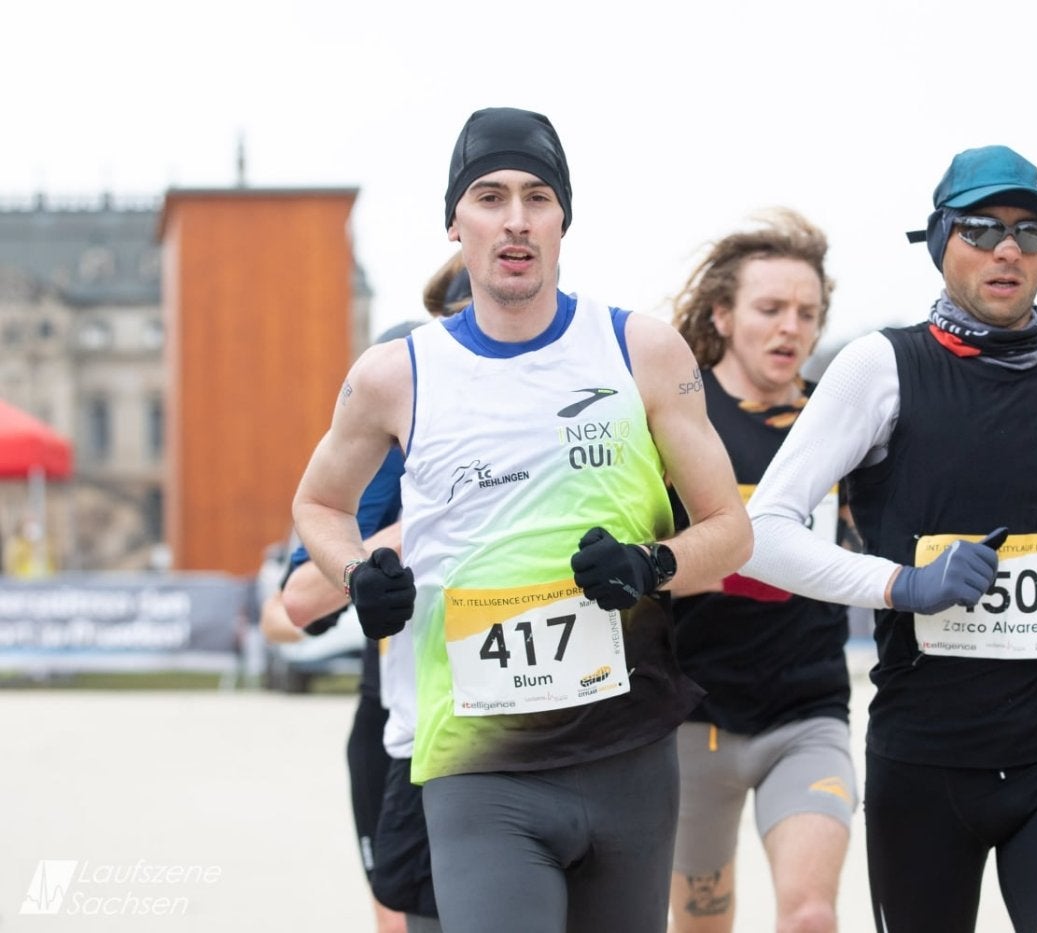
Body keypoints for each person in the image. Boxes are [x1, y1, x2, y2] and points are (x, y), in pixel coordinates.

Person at [291, 106, 752, 933]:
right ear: (453, 222)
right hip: (480, 762)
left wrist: (653, 564)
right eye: (489, 195)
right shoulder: (397, 374)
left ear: (563, 219)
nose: (515, 218)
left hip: (629, 751)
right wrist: (357, 571)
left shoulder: (640, 351)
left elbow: (731, 529)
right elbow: (318, 504)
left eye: (538, 196)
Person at [742, 145, 1037, 933]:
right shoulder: (880, 368)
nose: (1009, 248)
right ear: (941, 241)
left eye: (1031, 232)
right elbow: (763, 533)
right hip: (929, 753)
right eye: (982, 227)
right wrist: (903, 584)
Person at [264, 255, 471, 933]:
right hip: (398, 726)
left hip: (535, 721)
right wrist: (430, 525)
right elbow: (292, 604)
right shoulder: (396, 422)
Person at [665, 209, 855, 933]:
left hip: (805, 714)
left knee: (810, 915)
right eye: (770, 308)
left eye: (807, 313)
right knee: (702, 924)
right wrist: (731, 566)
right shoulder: (678, 415)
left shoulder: (839, 421)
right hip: (694, 720)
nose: (791, 328)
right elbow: (638, 563)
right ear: (723, 313)